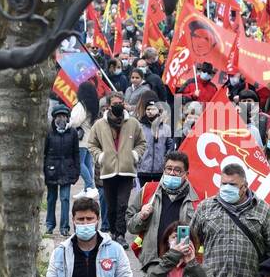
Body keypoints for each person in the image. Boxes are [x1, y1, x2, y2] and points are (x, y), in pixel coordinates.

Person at [86, 92, 145, 239]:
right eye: (114, 104)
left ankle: (120, 234)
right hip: (108, 170)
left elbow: (142, 143)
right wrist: (100, 156)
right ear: (108, 106)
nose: (118, 106)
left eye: (120, 103)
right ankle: (113, 231)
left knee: (122, 205)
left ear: (124, 103)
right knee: (111, 206)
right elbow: (91, 144)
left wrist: (134, 155)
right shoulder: (99, 124)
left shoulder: (133, 123)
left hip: (126, 171)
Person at [126, 151, 200, 261]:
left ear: (186, 174)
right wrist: (141, 216)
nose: (172, 173)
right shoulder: (148, 190)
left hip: (182, 263)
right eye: (169, 169)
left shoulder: (198, 199)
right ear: (163, 170)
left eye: (177, 170)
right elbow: (131, 227)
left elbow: (202, 236)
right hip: (153, 263)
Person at [44, 104, 80, 236]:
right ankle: (49, 225)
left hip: (67, 169)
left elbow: (76, 153)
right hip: (51, 169)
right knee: (51, 198)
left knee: (65, 198)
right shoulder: (49, 132)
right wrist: (44, 170)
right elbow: (44, 152)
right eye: (59, 116)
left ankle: (64, 227)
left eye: (64, 116)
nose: (61, 119)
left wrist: (77, 171)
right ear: (54, 118)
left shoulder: (73, 133)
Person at [133, 92, 173, 185]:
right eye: (148, 109)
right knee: (144, 196)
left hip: (160, 169)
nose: (150, 111)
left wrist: (165, 159)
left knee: (157, 195)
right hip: (143, 169)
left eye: (153, 109)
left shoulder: (165, 128)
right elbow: (135, 145)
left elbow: (169, 145)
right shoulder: (140, 127)